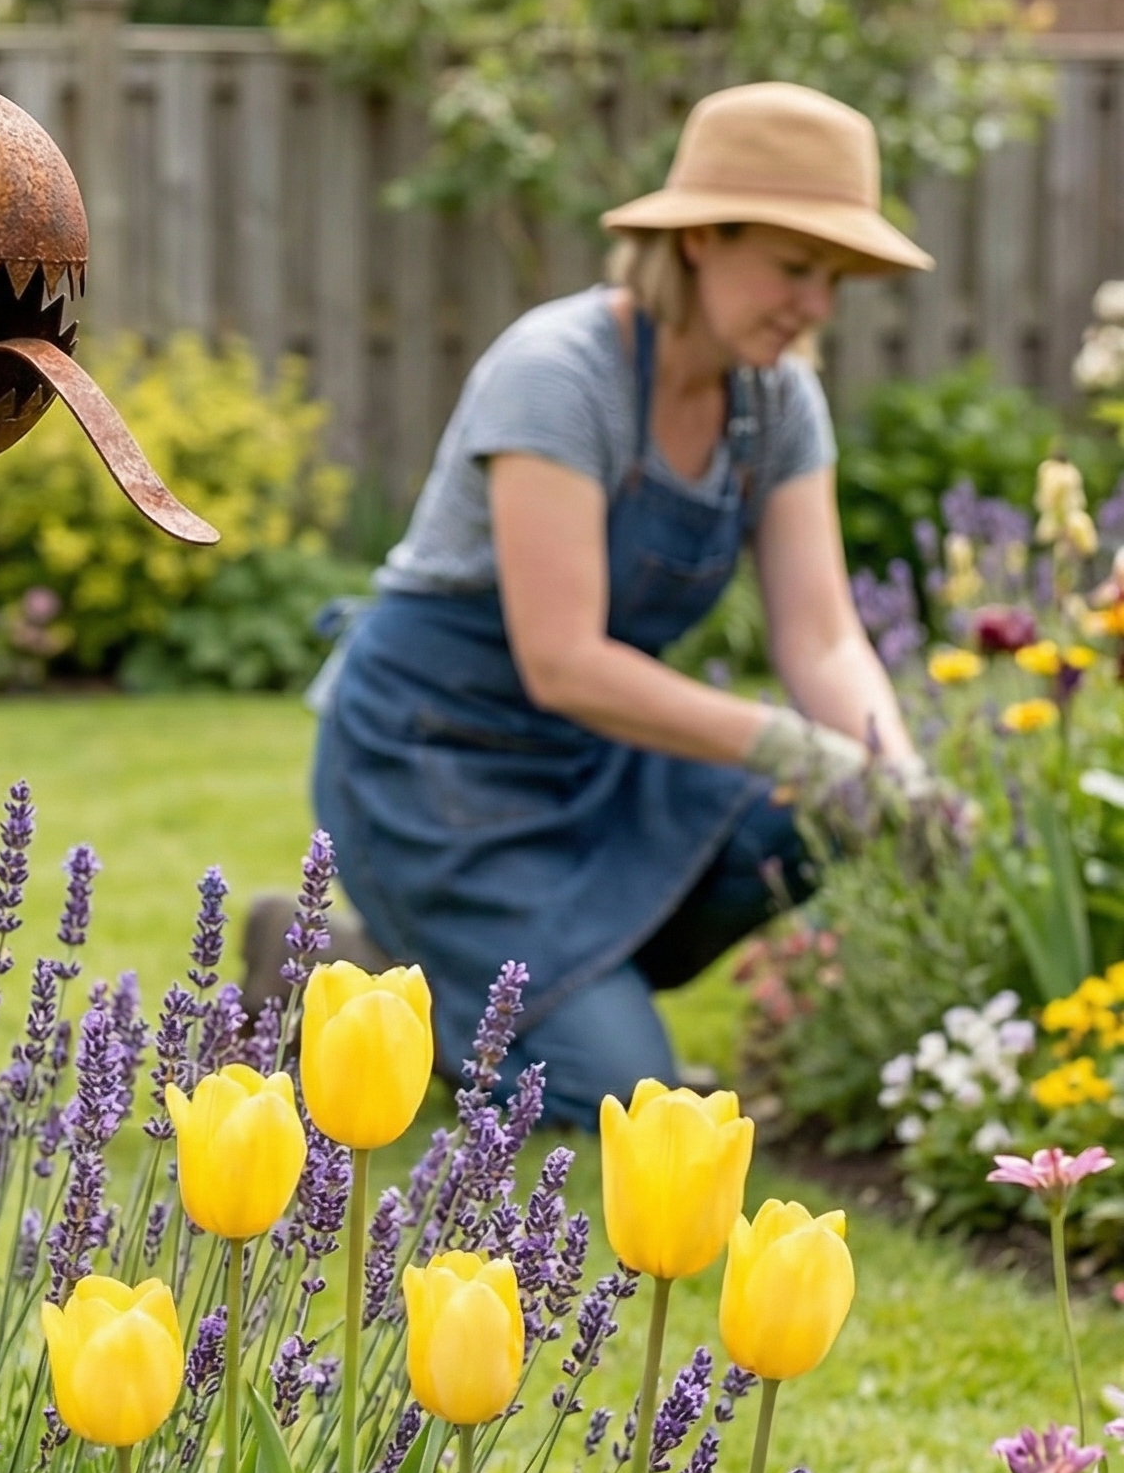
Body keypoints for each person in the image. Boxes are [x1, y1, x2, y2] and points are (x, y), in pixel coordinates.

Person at [309, 81, 933, 1124]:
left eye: (831, 277)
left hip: (587, 760)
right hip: (434, 766)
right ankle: (375, 962)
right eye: (793, 267)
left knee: (809, 821)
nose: (816, 304)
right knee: (604, 1091)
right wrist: (791, 744)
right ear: (699, 240)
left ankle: (491, 973)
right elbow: (561, 659)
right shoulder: (558, 376)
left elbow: (820, 633)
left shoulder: (775, 401)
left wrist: (894, 774)